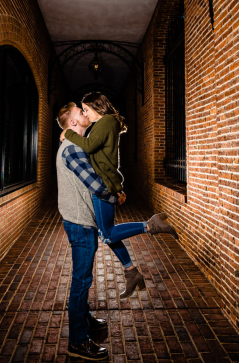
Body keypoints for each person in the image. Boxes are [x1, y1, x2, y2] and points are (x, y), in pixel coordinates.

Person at [59, 94, 178, 298]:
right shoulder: (102, 124)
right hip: (106, 180)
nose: (85, 113)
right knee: (107, 232)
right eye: (82, 111)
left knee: (107, 233)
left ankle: (150, 225)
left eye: (86, 109)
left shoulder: (107, 121)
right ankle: (131, 272)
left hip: (105, 182)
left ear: (96, 106)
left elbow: (89, 147)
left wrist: (67, 134)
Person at [56, 103, 114, 360]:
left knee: (83, 279)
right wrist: (116, 192)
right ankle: (78, 342)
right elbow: (96, 185)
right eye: (80, 112)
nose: (84, 113)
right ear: (73, 123)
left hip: (78, 221)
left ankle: (85, 320)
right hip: (79, 223)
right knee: (81, 282)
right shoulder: (72, 149)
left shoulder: (76, 145)